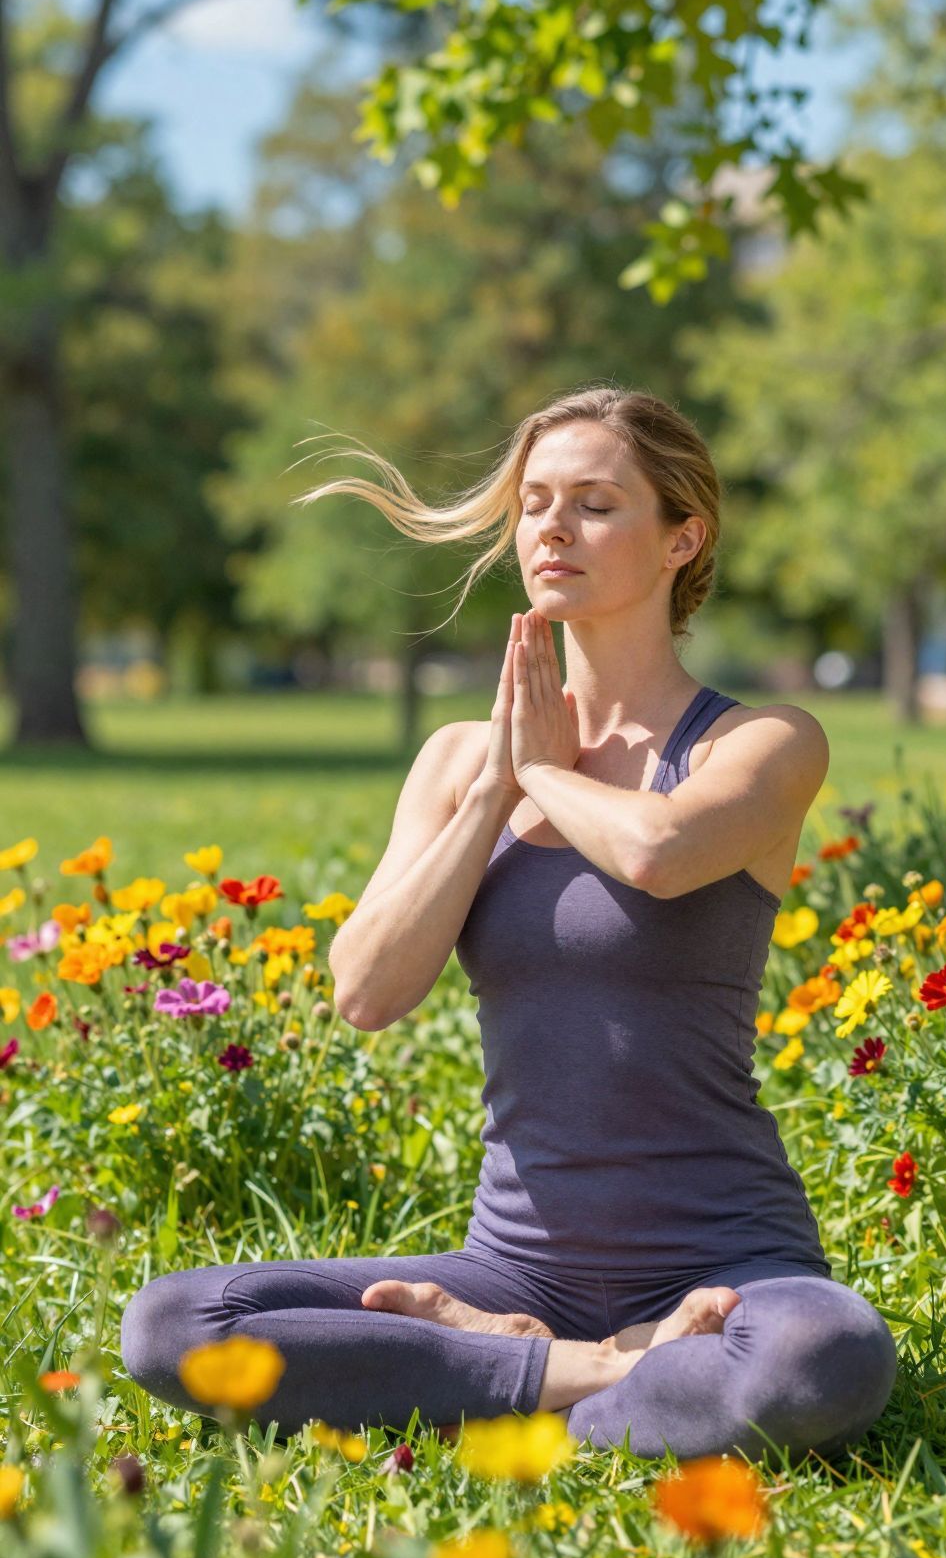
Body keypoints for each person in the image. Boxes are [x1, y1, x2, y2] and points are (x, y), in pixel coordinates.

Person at [121, 386, 899, 1465]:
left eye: (594, 502)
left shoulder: (762, 740)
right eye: (535, 502)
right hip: (516, 1266)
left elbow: (658, 853)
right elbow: (367, 991)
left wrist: (540, 765)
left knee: (826, 1354)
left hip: (726, 1258)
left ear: (684, 534)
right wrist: (494, 785)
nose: (550, 527)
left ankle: (491, 1384)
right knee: (175, 1324)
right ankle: (606, 1372)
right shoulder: (456, 760)